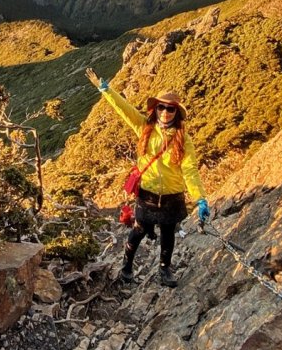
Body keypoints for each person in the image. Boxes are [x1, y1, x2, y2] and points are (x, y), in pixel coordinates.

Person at [85, 68, 210, 287]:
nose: (165, 112)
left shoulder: (183, 139)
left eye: (170, 109)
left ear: (177, 112)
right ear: (155, 109)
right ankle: (126, 267)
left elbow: (190, 169)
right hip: (148, 193)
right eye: (161, 107)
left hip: (172, 195)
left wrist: (199, 197)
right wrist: (107, 91)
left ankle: (164, 270)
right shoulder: (145, 128)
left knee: (168, 234)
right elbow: (126, 110)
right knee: (139, 230)